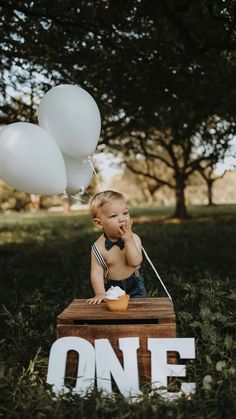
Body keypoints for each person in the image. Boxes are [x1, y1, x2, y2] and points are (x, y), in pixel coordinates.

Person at [87, 190, 148, 304]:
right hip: (112, 288)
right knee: (113, 315)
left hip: (134, 285)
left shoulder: (134, 238)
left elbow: (135, 262)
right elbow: (96, 273)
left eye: (125, 213)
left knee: (139, 312)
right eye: (114, 216)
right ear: (99, 223)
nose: (122, 219)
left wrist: (128, 240)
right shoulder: (98, 247)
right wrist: (100, 293)